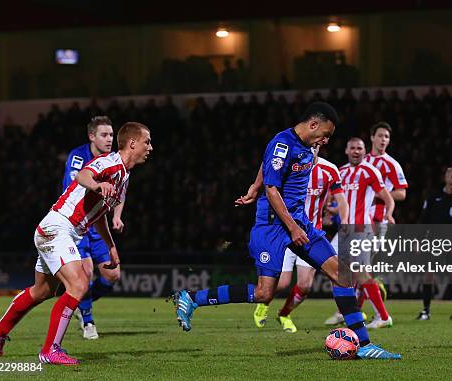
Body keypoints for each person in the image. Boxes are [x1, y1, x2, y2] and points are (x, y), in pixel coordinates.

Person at [172, 102, 401, 360]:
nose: (326, 140)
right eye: (325, 134)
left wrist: (253, 186)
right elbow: (273, 190)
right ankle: (192, 298)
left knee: (343, 275)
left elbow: (266, 163)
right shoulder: (283, 143)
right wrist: (286, 221)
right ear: (313, 124)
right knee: (264, 293)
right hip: (272, 225)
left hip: (298, 221)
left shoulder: (307, 147)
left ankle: (364, 344)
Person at [0, 122, 152, 365]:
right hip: (58, 228)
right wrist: (96, 184)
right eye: (147, 142)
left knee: (42, 291)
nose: (150, 147)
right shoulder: (110, 162)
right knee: (79, 284)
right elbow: (84, 175)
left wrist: (111, 246)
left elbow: (100, 212)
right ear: (133, 143)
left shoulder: (124, 175)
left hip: (63, 231)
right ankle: (50, 350)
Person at [250, 149, 349, 333]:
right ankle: (265, 302)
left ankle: (284, 314)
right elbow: (269, 167)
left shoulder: (330, 170)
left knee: (304, 285)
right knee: (282, 283)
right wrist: (255, 187)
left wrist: (344, 223)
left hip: (310, 235)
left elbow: (341, 200)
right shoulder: (291, 163)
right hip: (286, 230)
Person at [63, 116, 125, 340]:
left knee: (113, 275)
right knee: (86, 273)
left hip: (98, 224)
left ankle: (80, 304)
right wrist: (98, 186)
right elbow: (76, 183)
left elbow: (121, 191)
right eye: (104, 135)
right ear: (92, 136)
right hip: (78, 223)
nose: (110, 139)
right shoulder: (78, 156)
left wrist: (117, 215)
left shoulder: (113, 160)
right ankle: (88, 321)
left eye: (111, 135)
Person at [324, 137, 396, 329]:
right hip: (344, 230)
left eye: (360, 148)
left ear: (364, 151)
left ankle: (383, 316)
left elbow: (388, 199)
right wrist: (330, 214)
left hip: (362, 228)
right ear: (347, 151)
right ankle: (349, 312)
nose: (356, 151)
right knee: (333, 269)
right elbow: (336, 201)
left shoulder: (370, 171)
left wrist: (388, 214)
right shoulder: (340, 172)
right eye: (353, 148)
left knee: (360, 272)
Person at [361, 121, 408, 327]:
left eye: (386, 137)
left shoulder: (392, 164)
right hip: (357, 219)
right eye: (380, 135)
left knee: (360, 265)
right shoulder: (361, 160)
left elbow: (402, 193)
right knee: (359, 265)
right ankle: (358, 308)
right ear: (372, 137)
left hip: (378, 220)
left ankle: (377, 313)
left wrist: (379, 194)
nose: (383, 140)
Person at [416, 167, 452, 321]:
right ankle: (426, 310)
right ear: (446, 178)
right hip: (433, 242)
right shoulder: (434, 197)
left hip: (451, 243)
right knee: (428, 275)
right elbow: (424, 220)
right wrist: (418, 240)